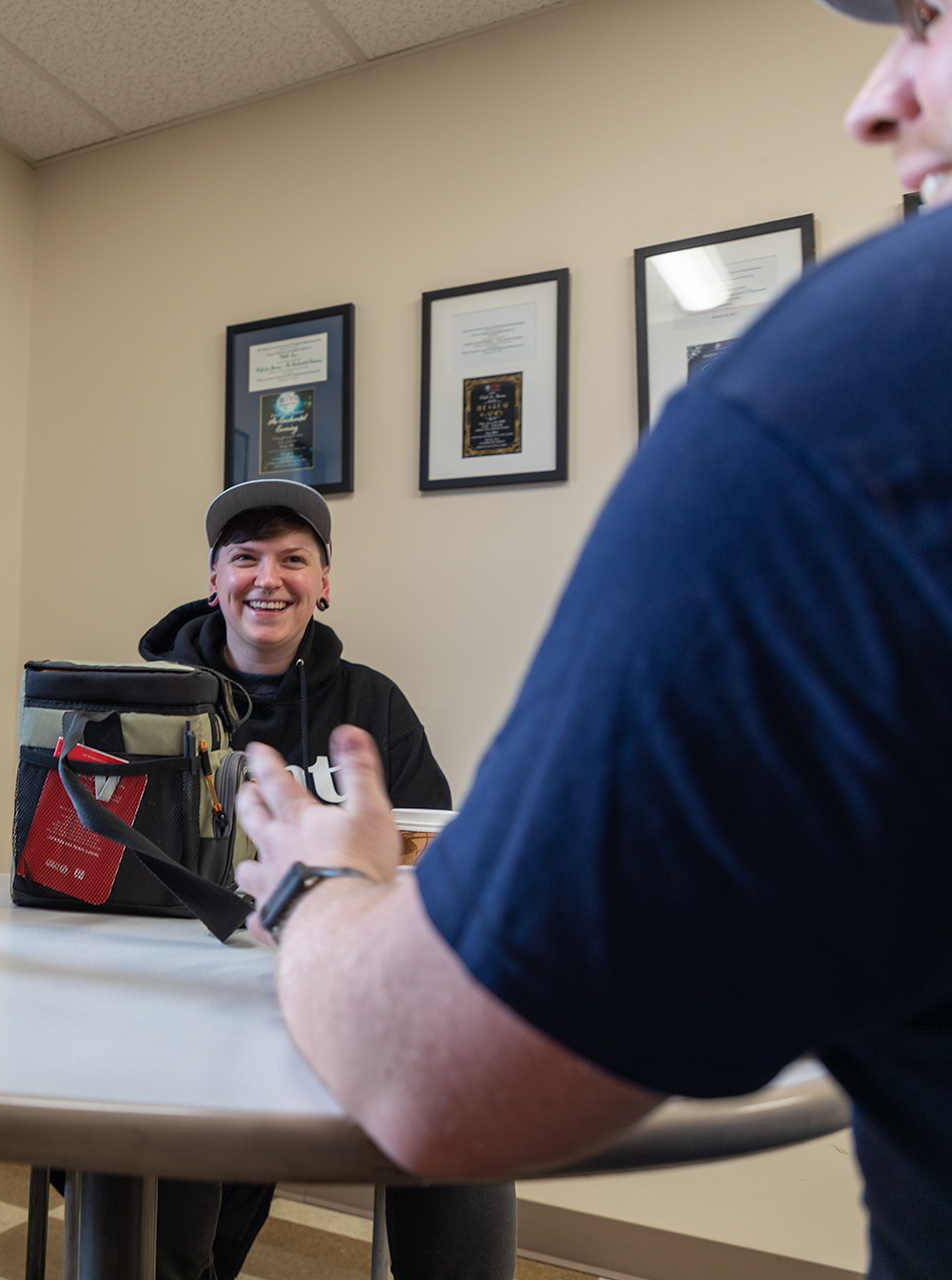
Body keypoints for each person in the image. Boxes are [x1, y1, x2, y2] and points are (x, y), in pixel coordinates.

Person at [229, 4, 952, 1278]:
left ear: (327, 582)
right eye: (244, 556)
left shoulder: (858, 389)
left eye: (935, 21)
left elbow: (431, 1057)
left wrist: (313, 880)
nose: (876, 100)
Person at [137, 479, 510, 1280]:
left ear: (325, 582)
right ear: (213, 579)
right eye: (245, 559)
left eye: (293, 560)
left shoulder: (371, 703)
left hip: (337, 976)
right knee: (166, 1117)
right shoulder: (151, 701)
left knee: (461, 1080)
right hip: (178, 991)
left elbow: (427, 859)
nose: (268, 579)